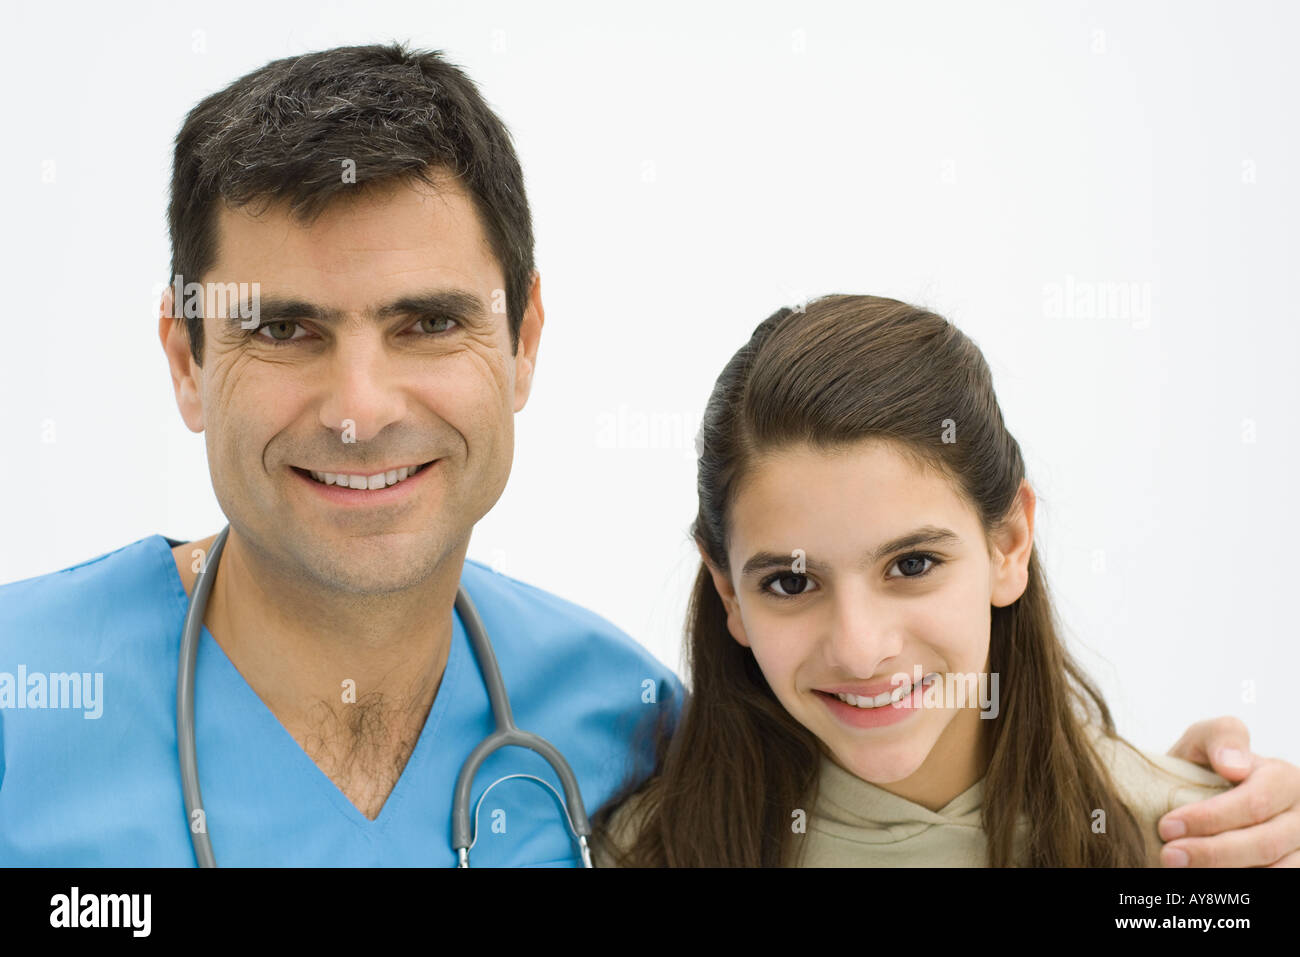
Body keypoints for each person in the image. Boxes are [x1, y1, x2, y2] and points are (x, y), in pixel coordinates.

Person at [0, 45, 1293, 867]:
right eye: (283, 329)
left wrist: (1223, 821)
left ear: (526, 341)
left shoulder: (620, 733)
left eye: (429, 322)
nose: (359, 405)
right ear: (182, 358)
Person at [593, 294, 1300, 867]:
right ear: (728, 594)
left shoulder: (1210, 845)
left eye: (911, 565)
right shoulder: (639, 853)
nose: (861, 649)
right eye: (789, 583)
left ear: (1009, 544)